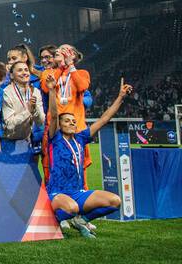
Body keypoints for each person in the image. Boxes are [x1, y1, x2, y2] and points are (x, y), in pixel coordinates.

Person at [45, 77, 132, 238]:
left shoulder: (81, 138)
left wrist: (120, 97)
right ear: (60, 124)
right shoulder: (54, 138)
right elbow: (54, 113)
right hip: (57, 192)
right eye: (67, 121)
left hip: (78, 193)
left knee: (115, 201)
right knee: (71, 209)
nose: (71, 123)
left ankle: (81, 221)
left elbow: (104, 119)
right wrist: (51, 90)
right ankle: (53, 221)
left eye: (73, 121)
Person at [40, 44, 92, 174]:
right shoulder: (48, 73)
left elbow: (82, 87)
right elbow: (47, 88)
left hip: (76, 127)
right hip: (55, 128)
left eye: (63, 49)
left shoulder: (82, 73)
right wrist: (61, 67)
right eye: (58, 49)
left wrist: (70, 67)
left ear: (72, 55)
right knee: (53, 168)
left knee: (79, 168)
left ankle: (81, 192)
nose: (58, 50)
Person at [2, 59, 45, 144]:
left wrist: (34, 109)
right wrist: (28, 111)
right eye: (19, 70)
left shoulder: (35, 91)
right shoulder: (6, 93)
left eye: (26, 70)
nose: (24, 73)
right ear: (11, 75)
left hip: (26, 141)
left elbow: (40, 122)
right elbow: (9, 125)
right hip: (8, 142)